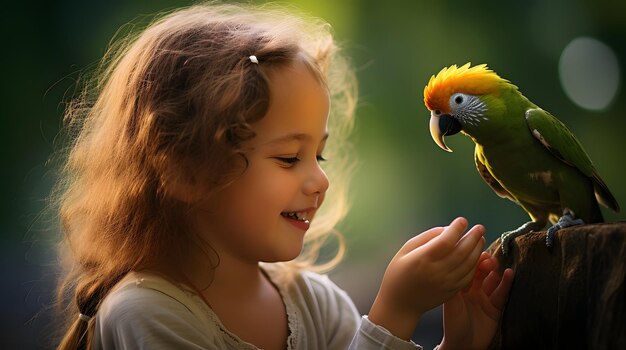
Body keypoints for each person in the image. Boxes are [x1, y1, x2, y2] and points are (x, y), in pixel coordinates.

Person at [53, 2, 514, 349]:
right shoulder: (147, 315)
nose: (320, 181)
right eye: (290, 158)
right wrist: (395, 313)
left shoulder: (314, 302)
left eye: (321, 156)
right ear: (185, 172)